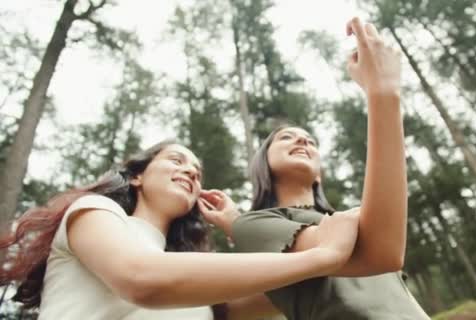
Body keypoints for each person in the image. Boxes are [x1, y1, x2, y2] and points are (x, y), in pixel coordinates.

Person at [205, 18, 431, 319]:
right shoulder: (255, 225)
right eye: (285, 138)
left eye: (310, 140)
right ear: (263, 165)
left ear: (320, 173)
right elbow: (383, 252)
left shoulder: (353, 223)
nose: (301, 139)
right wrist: (383, 93)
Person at [0, 140, 359, 319]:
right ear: (138, 176)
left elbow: (292, 290)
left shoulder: (196, 282)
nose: (190, 171)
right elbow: (141, 277)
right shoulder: (95, 212)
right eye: (176, 160)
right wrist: (322, 257)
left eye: (198, 172)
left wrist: (240, 228)